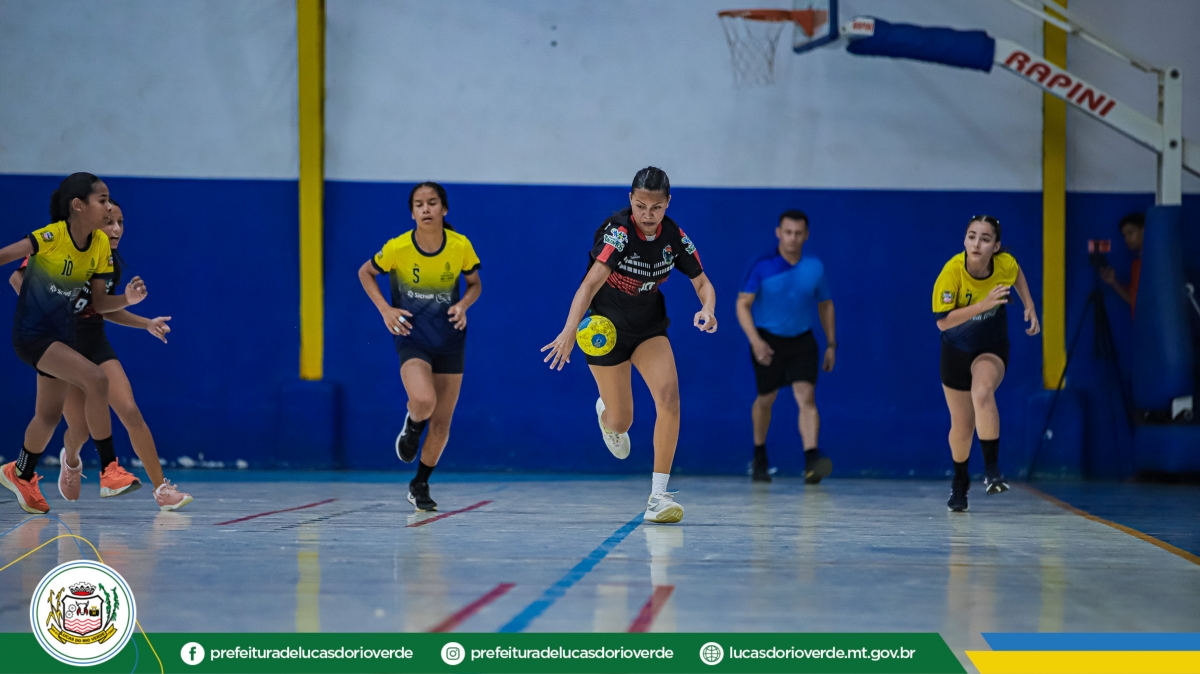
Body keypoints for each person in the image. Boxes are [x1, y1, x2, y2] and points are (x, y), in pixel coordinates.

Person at [541, 167, 717, 524]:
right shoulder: (618, 235)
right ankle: (606, 416)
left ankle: (658, 497)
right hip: (606, 331)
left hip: (648, 329)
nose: (648, 215)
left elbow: (702, 283)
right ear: (631, 200)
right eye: (640, 206)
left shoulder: (674, 237)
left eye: (656, 208)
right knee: (622, 420)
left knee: (669, 399)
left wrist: (708, 308)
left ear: (668, 203)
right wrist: (568, 331)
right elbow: (589, 285)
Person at [9, 200, 191, 511]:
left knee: (130, 410)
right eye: (109, 222)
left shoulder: (108, 262)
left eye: (120, 222)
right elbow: (17, 278)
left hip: (94, 344)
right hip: (62, 347)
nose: (116, 229)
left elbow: (103, 309)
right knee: (79, 429)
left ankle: (161, 489)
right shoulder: (63, 249)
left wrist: (145, 322)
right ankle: (72, 459)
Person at [0, 173, 147, 514]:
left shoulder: (99, 246)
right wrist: (37, 303)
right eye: (102, 200)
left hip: (63, 336)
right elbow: (7, 259)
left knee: (48, 416)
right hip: (34, 334)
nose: (109, 208)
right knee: (96, 379)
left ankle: (20, 473)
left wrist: (127, 299)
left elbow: (100, 303)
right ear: (78, 206)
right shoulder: (53, 235)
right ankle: (110, 469)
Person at [358, 182, 481, 512]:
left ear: (444, 209)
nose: (426, 208)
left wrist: (463, 305)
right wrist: (385, 309)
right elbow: (366, 272)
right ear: (412, 213)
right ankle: (412, 427)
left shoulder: (460, 246)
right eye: (419, 204)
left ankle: (420, 483)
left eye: (432, 202)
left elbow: (474, 284)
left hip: (451, 339)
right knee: (424, 401)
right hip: (412, 336)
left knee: (441, 423)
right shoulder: (397, 248)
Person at [932, 215, 1039, 512]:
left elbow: (1016, 272)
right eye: (972, 236)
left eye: (985, 238)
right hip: (955, 350)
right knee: (962, 426)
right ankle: (960, 481)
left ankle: (992, 471)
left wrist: (1029, 305)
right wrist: (983, 305)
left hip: (991, 346)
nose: (977, 244)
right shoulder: (952, 272)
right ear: (965, 240)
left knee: (982, 392)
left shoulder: (1004, 265)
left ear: (996, 246)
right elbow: (943, 322)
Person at [736, 209, 836, 484]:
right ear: (779, 233)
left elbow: (825, 304)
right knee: (766, 399)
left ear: (807, 235)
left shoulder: (815, 268)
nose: (793, 238)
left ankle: (812, 460)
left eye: (798, 233)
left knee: (806, 397)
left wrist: (831, 343)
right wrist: (756, 341)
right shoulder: (762, 266)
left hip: (802, 341)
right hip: (768, 341)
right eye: (788, 232)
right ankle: (759, 456)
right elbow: (742, 305)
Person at [1100, 212, 1144, 315]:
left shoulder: (1159, 262)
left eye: (1130, 233)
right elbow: (1134, 300)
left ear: (1143, 230)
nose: (1127, 239)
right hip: (1140, 322)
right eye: (1124, 236)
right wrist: (1114, 282)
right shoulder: (1136, 265)